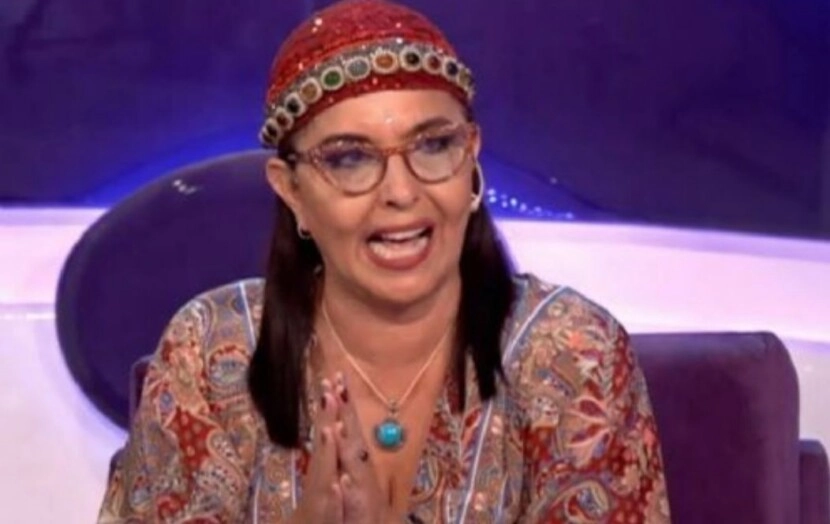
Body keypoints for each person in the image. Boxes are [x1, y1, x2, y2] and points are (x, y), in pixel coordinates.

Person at [99, 0, 671, 521]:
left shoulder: (574, 354)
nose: (401, 192)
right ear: (291, 190)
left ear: (471, 156)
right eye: (350, 158)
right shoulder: (208, 353)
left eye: (434, 145)